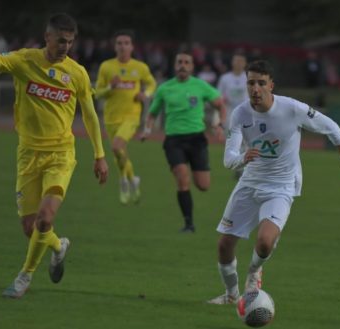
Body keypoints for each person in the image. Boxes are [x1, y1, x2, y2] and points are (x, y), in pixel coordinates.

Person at [207, 60, 340, 304]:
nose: (255, 89)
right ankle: (230, 296)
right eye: (251, 83)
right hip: (249, 184)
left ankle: (254, 272)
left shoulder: (292, 109)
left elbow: (333, 128)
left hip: (281, 186)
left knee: (264, 241)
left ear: (271, 85)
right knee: (224, 246)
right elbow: (228, 160)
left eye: (261, 83)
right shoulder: (239, 114)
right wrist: (242, 158)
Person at [0, 13, 109, 298]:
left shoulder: (77, 73)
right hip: (28, 155)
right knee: (31, 228)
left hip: (61, 154)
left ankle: (24, 277)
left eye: (70, 41)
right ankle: (58, 245)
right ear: (47, 38)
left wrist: (99, 155)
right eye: (61, 40)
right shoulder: (24, 60)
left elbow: (89, 114)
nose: (65, 46)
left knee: (44, 217)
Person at [141, 51, 226, 233]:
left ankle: (189, 220)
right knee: (182, 178)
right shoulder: (165, 88)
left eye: (187, 62)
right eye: (179, 61)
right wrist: (147, 130)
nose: (183, 65)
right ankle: (189, 224)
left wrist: (220, 124)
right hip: (174, 140)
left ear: (192, 66)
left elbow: (220, 103)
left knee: (203, 185)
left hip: (197, 139)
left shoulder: (201, 86)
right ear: (175, 65)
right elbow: (152, 113)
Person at [95, 30, 156, 204]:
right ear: (115, 46)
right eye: (119, 43)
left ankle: (123, 182)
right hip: (111, 117)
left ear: (132, 46)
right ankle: (131, 179)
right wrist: (110, 88)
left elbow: (152, 83)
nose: (123, 46)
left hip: (132, 116)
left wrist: (146, 94)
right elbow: (98, 94)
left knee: (116, 147)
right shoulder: (106, 66)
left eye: (126, 43)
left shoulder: (140, 67)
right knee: (119, 153)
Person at [216, 53, 249, 178]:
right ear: (232, 62)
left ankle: (241, 169)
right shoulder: (225, 78)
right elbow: (218, 95)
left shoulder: (248, 77)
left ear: (245, 63)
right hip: (230, 114)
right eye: (237, 61)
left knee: (245, 141)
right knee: (232, 141)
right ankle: (237, 165)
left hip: (246, 114)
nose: (239, 63)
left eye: (241, 61)